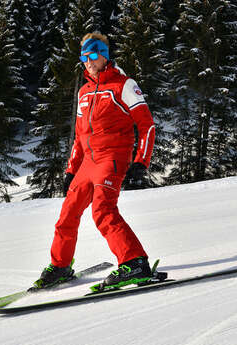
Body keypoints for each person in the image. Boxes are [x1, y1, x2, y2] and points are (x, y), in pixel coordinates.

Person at [34, 32, 155, 289]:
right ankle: (60, 266)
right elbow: (80, 136)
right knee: (67, 214)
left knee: (103, 210)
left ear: (104, 55)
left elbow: (146, 126)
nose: (88, 61)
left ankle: (134, 262)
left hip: (112, 157)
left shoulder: (123, 85)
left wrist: (141, 161)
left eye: (92, 55)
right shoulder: (85, 91)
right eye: (83, 56)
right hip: (87, 163)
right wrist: (71, 170)